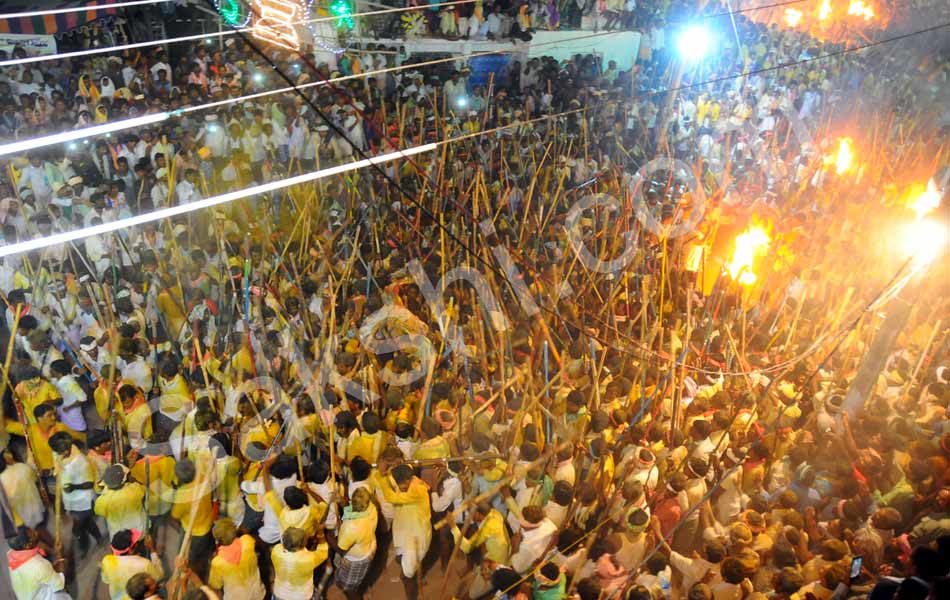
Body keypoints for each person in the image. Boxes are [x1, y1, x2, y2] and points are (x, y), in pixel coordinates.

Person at [270, 527, 328, 600]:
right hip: (302, 596)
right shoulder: (308, 559)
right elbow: (324, 552)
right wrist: (321, 535)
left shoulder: (276, 551)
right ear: (302, 543)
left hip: (280, 594)